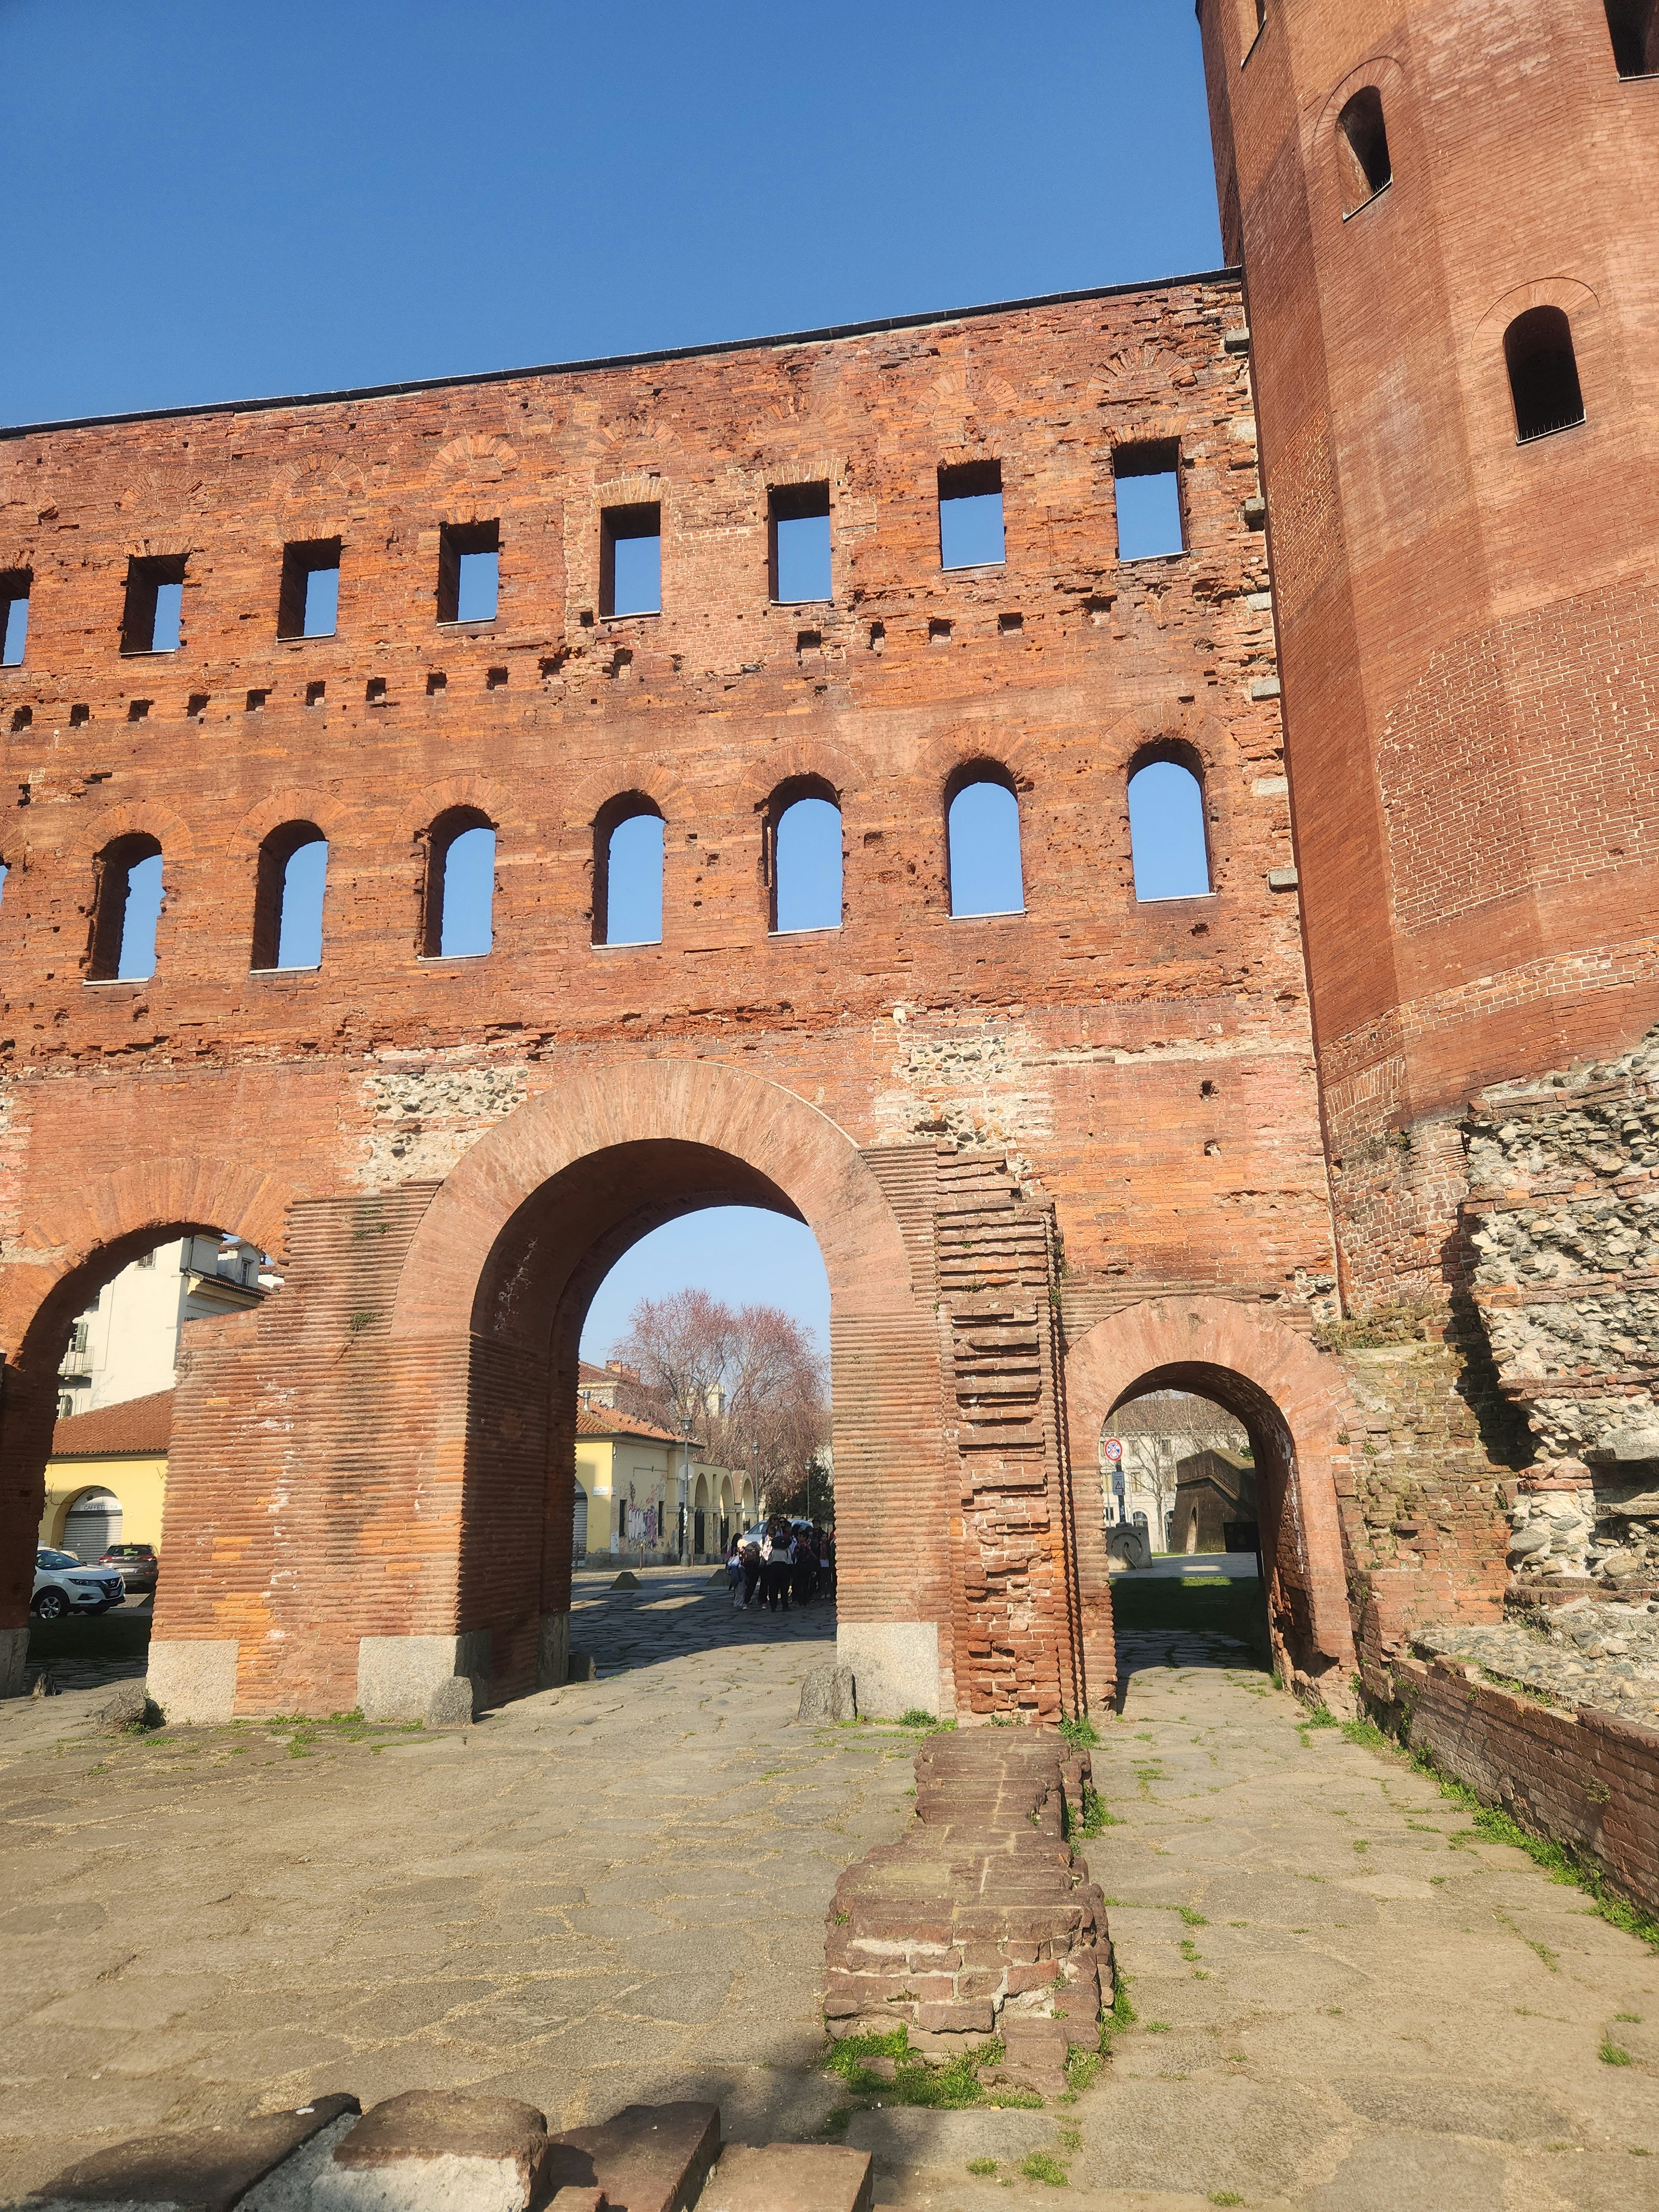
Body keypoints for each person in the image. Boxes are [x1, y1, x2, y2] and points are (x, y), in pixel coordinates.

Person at [763, 1517, 794, 1612]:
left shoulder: (774, 1551)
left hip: (774, 1569)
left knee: (773, 1589)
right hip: (784, 1569)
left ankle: (773, 1607)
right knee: (784, 1589)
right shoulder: (787, 1550)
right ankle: (785, 1606)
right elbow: (790, 1562)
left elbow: (769, 1561)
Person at [740, 1537, 762, 1610]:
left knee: (749, 1586)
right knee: (756, 1585)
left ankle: (746, 1602)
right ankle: (761, 1601)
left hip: (749, 1568)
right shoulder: (757, 1551)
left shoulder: (746, 1549)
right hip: (756, 1567)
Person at [726, 1532, 744, 1606]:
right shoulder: (738, 1549)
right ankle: (739, 1602)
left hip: (733, 1569)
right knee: (740, 1586)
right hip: (738, 1569)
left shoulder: (732, 1548)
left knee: (737, 1586)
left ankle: (737, 1600)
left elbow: (727, 1558)